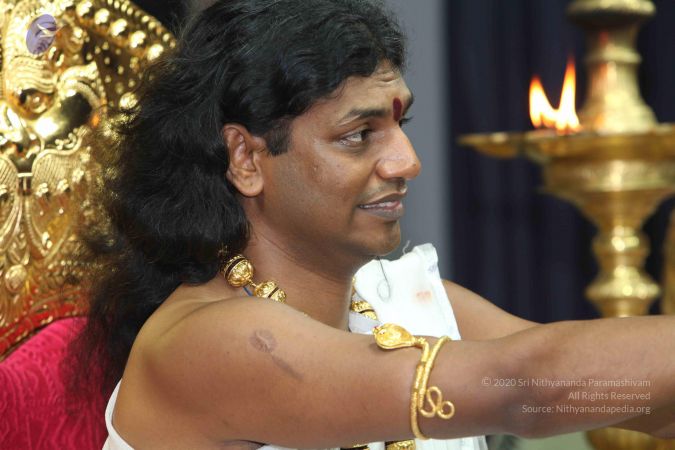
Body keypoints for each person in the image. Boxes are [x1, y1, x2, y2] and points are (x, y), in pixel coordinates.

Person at [72, 0, 675, 449]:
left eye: (398, 126)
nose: (407, 163)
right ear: (247, 159)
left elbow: (614, 391)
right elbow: (524, 387)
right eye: (359, 135)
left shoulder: (408, 299)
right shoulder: (210, 342)